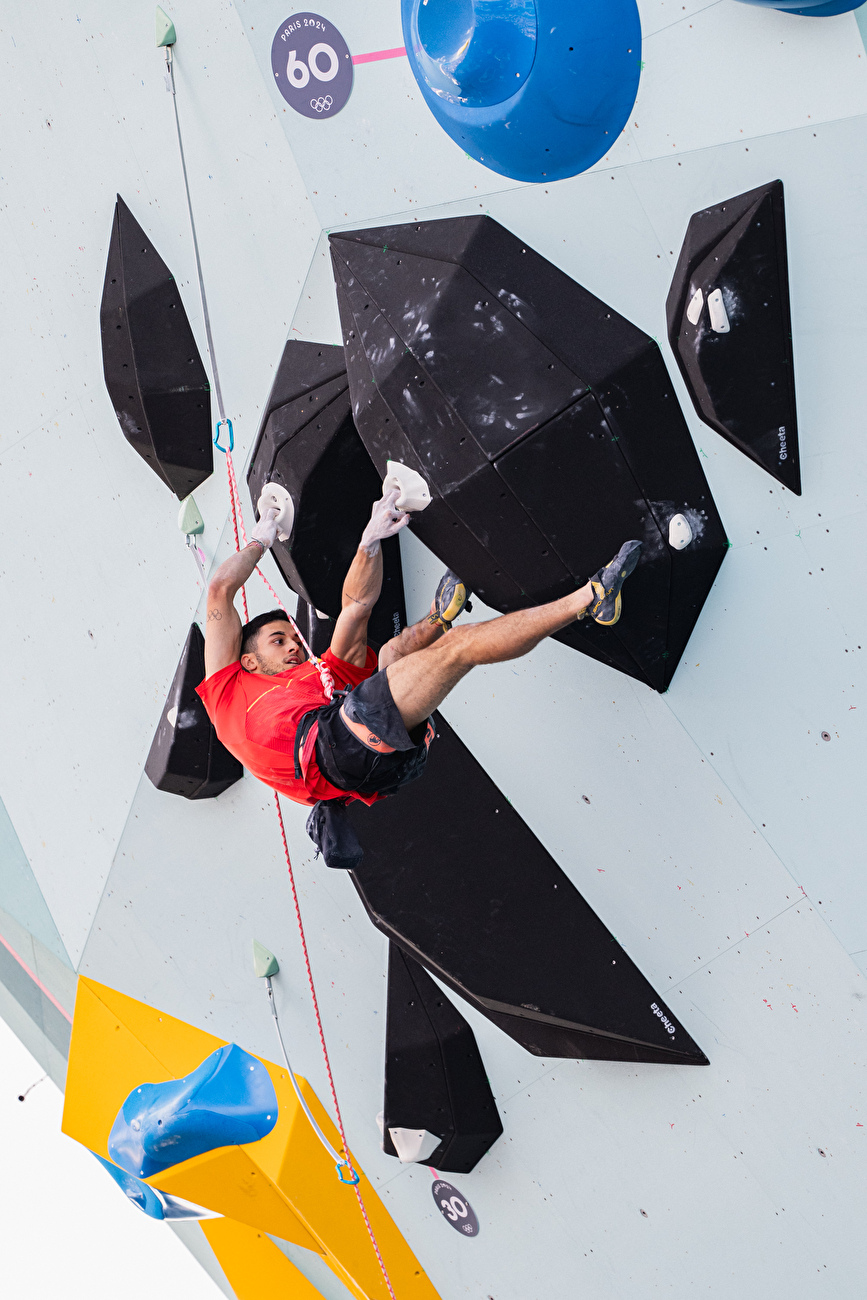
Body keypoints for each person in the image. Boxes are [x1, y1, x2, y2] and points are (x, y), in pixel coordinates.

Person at [198, 487, 641, 866]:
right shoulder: (226, 691)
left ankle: (439, 616)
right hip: (338, 749)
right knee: (461, 650)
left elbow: (356, 608)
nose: (295, 645)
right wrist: (263, 536)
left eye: (292, 638)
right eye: (279, 641)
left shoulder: (317, 680)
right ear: (250, 661)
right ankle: (591, 598)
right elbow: (220, 591)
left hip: (370, 758)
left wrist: (370, 542)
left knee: (389, 652)